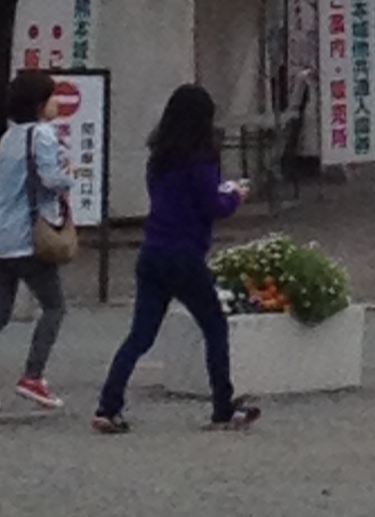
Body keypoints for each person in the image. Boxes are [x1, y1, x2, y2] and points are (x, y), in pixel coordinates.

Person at [92, 85, 260, 435]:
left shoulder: (159, 155)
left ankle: (108, 406)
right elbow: (212, 206)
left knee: (140, 335)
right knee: (214, 327)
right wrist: (236, 196)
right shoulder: (202, 157)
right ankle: (222, 408)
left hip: (152, 251)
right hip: (185, 254)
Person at [0, 73, 71, 412]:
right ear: (39, 105)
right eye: (52, 98)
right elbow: (51, 179)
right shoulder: (43, 135)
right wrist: (69, 176)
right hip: (28, 236)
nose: (57, 104)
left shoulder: (8, 137)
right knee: (54, 306)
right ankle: (33, 376)